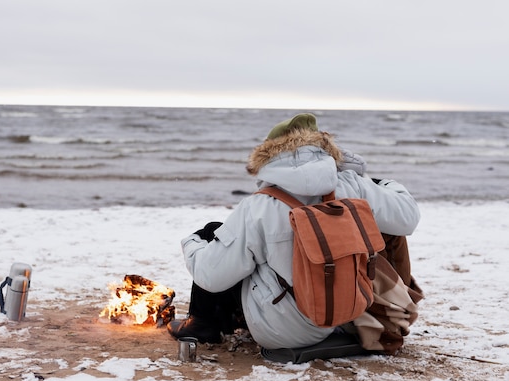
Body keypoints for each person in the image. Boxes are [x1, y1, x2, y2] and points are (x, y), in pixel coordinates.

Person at [167, 113, 421, 351]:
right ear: (326, 149)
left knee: (216, 234)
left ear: (269, 155)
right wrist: (378, 182)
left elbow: (211, 277)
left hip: (281, 331)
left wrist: (193, 243)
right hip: (348, 312)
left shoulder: (260, 206)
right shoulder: (353, 186)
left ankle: (202, 326)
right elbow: (407, 218)